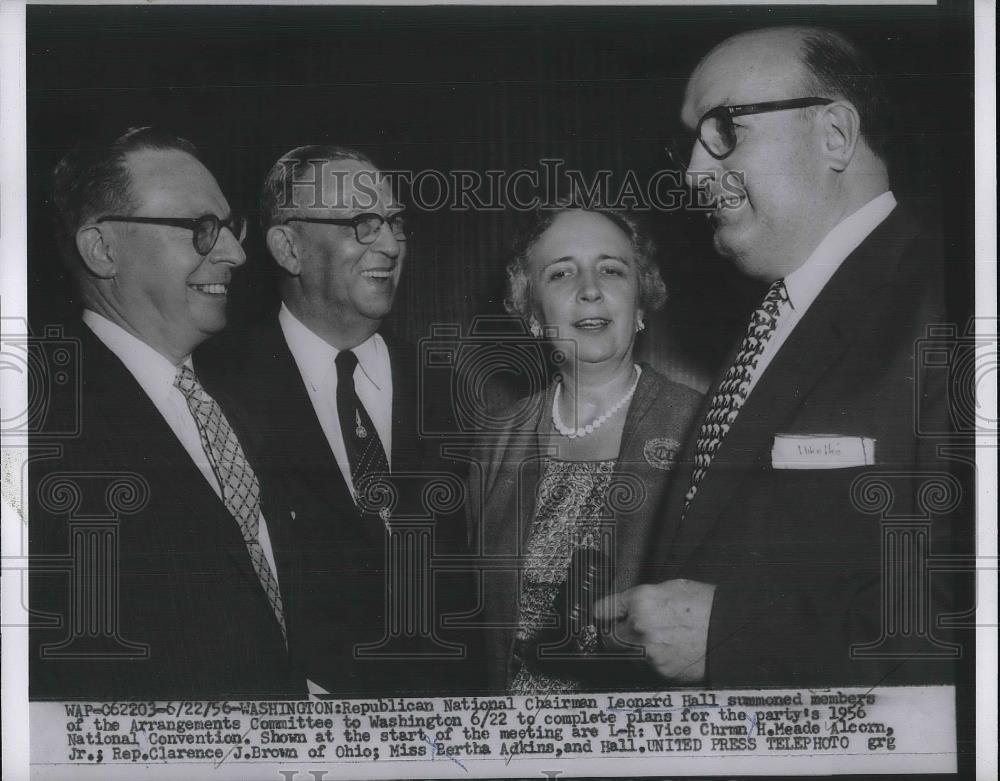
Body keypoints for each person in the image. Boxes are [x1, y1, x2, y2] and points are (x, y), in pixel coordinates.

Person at [597, 26, 967, 687]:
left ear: (835, 134)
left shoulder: (954, 301)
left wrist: (727, 634)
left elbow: (972, 617)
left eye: (724, 129)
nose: (692, 172)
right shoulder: (777, 319)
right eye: (689, 141)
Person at [29, 127, 301, 700]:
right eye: (201, 229)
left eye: (231, 227)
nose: (235, 253)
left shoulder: (242, 401)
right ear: (103, 250)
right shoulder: (41, 434)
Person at [199, 145, 478, 695]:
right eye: (362, 223)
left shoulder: (449, 388)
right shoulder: (215, 388)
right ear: (288, 247)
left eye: (396, 223)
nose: (393, 244)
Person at [468, 203, 702, 693]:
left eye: (612, 270)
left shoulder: (701, 427)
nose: (590, 289)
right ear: (532, 312)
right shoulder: (495, 439)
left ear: (640, 303)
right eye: (561, 273)